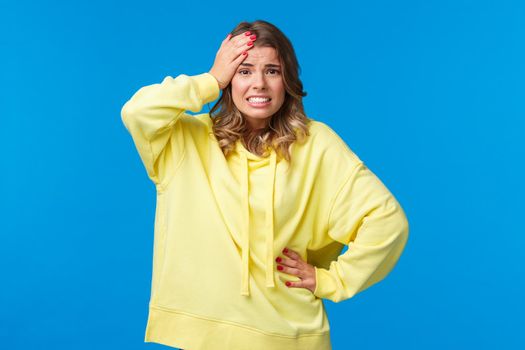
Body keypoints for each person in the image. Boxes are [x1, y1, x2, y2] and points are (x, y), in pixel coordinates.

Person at [121, 19, 409, 350]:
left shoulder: (316, 144)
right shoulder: (186, 141)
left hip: (290, 336)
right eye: (244, 71)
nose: (259, 83)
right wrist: (210, 80)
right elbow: (137, 112)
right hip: (205, 335)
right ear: (229, 79)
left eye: (272, 71)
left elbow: (388, 222)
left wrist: (331, 280)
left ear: (287, 81)